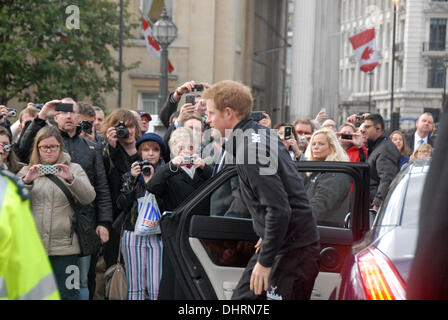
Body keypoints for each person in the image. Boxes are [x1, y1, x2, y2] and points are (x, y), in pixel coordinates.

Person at [203, 80, 320, 300]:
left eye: (211, 113)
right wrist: (268, 235)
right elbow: (287, 189)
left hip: (291, 251)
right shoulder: (259, 135)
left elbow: (280, 209)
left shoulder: (251, 150)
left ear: (228, 113)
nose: (207, 119)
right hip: (284, 244)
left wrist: (265, 261)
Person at [17, 98, 113, 299]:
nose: (50, 151)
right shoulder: (30, 165)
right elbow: (21, 148)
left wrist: (103, 222)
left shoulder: (90, 149)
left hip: (78, 231)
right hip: (38, 241)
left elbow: (100, 189)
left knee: (77, 286)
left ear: (79, 117)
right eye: (45, 148)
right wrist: (42, 115)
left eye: (72, 112)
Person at [148, 127, 213, 299]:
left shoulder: (203, 171)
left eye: (190, 147)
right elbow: (153, 187)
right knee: (173, 280)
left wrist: (204, 167)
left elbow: (220, 183)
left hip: (200, 231)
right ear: (173, 150)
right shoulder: (169, 172)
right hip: (176, 233)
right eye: (180, 147)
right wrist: (172, 165)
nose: (186, 151)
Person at [116, 133, 166, 300]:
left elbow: (167, 204)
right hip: (132, 233)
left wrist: (152, 182)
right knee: (134, 285)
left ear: (161, 153)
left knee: (156, 285)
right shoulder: (130, 174)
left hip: (157, 234)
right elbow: (122, 204)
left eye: (155, 150)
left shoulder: (167, 174)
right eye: (146, 150)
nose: (150, 154)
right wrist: (131, 178)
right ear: (139, 153)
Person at [0, 168, 60, 300]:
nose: (49, 151)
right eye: (45, 147)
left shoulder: (7, 191)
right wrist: (26, 181)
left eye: (53, 146)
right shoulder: (7, 191)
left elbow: (90, 196)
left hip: (64, 244)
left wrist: (71, 180)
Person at [406, 110, 448, 299]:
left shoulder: (436, 149)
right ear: (417, 122)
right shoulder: (404, 140)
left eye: (429, 122)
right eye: (423, 120)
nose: (426, 124)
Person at [101, 109, 140, 269]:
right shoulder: (108, 152)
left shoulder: (147, 149)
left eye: (131, 126)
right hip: (116, 220)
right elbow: (102, 177)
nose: (127, 131)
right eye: (121, 127)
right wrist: (111, 148)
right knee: (116, 269)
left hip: (139, 218)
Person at [304, 129, 351, 227]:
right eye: (313, 144)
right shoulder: (314, 170)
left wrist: (295, 219)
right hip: (313, 227)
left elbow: (320, 205)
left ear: (332, 147)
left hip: (327, 231)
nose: (316, 147)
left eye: (321, 144)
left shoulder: (336, 172)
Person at [364, 114, 401, 211]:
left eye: (367, 127)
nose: (364, 130)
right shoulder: (377, 146)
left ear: (378, 128)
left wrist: (378, 203)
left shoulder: (385, 148)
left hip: (377, 206)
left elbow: (387, 179)